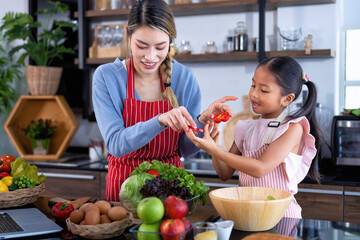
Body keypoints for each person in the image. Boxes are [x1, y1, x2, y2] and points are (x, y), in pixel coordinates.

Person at [92, 0, 237, 201]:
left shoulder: (184, 77)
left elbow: (186, 149)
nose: (150, 56)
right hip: (125, 189)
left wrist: (202, 120)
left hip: (171, 188)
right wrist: (160, 120)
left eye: (160, 47)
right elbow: (116, 144)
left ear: (170, 41)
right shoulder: (107, 76)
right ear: (128, 35)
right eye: (141, 46)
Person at [186, 56, 321, 218]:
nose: (254, 94)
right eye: (253, 85)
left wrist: (215, 149)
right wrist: (214, 144)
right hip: (248, 213)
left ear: (287, 99)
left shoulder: (292, 129)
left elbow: (260, 168)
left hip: (281, 216)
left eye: (263, 90)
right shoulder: (246, 127)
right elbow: (224, 174)